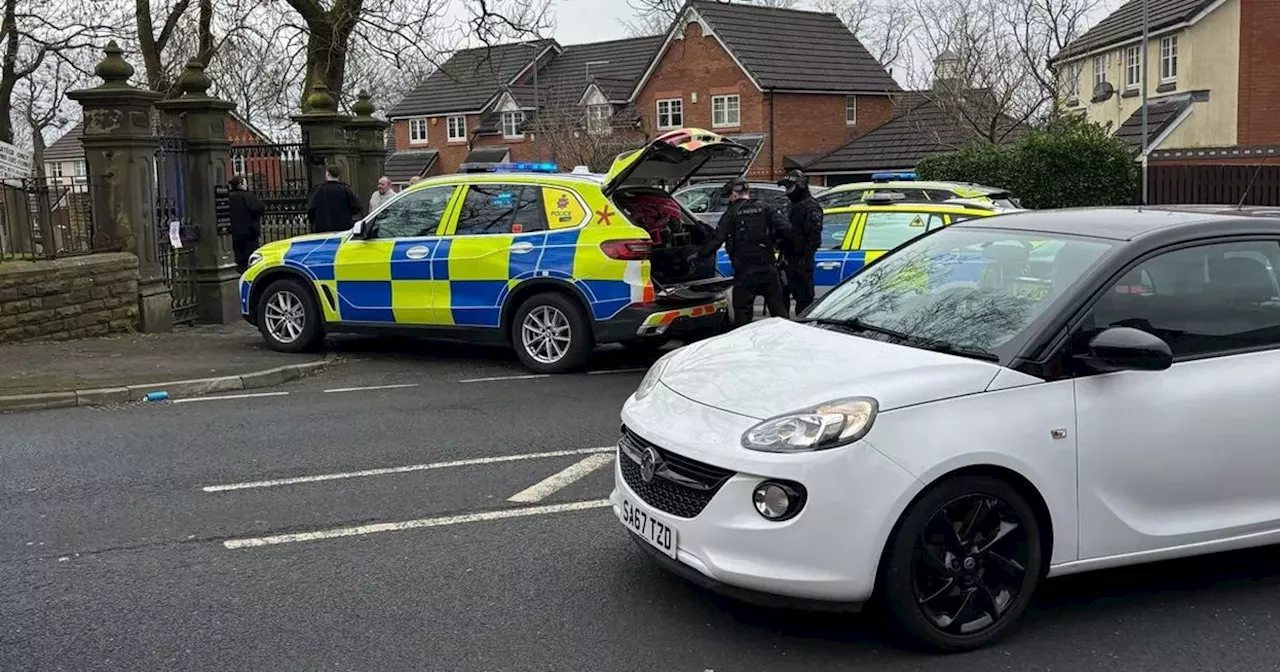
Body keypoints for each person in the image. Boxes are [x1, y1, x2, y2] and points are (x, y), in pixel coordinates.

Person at [692, 177, 790, 326]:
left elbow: (718, 240)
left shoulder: (731, 213)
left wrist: (699, 256)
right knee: (778, 310)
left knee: (743, 312)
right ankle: (787, 340)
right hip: (768, 268)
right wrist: (775, 242)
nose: (729, 199)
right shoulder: (765, 208)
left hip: (745, 271)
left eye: (729, 195)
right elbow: (786, 228)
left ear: (734, 193)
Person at [777, 169, 824, 314]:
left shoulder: (811, 207)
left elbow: (814, 238)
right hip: (786, 259)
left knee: (804, 302)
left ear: (800, 186)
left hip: (801, 261)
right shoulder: (790, 206)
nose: (787, 192)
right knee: (780, 298)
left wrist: (804, 260)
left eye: (789, 188)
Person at [307, 165, 363, 233]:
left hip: (322, 228)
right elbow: (356, 207)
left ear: (327, 174)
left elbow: (311, 209)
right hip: (343, 229)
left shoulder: (318, 190)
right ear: (338, 175)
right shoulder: (345, 190)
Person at [227, 175, 265, 274]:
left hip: (234, 233)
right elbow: (260, 208)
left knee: (238, 258)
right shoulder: (247, 196)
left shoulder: (228, 197)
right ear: (241, 184)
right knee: (250, 259)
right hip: (249, 233)